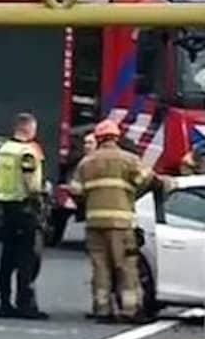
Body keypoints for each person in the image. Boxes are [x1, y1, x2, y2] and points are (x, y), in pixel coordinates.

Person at [71, 119, 171, 323]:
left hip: (94, 224)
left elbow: (76, 192)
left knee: (101, 267)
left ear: (98, 139)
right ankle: (130, 309)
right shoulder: (129, 160)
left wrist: (90, 203)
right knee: (125, 265)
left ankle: (102, 309)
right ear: (117, 137)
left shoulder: (86, 163)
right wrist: (134, 195)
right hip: (121, 224)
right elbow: (150, 181)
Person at [0, 112, 48, 320]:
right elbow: (30, 183)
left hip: (5, 210)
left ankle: (4, 303)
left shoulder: (4, 149)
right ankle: (25, 304)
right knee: (26, 260)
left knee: (6, 259)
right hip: (24, 209)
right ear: (28, 129)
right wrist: (40, 198)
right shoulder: (26, 153)